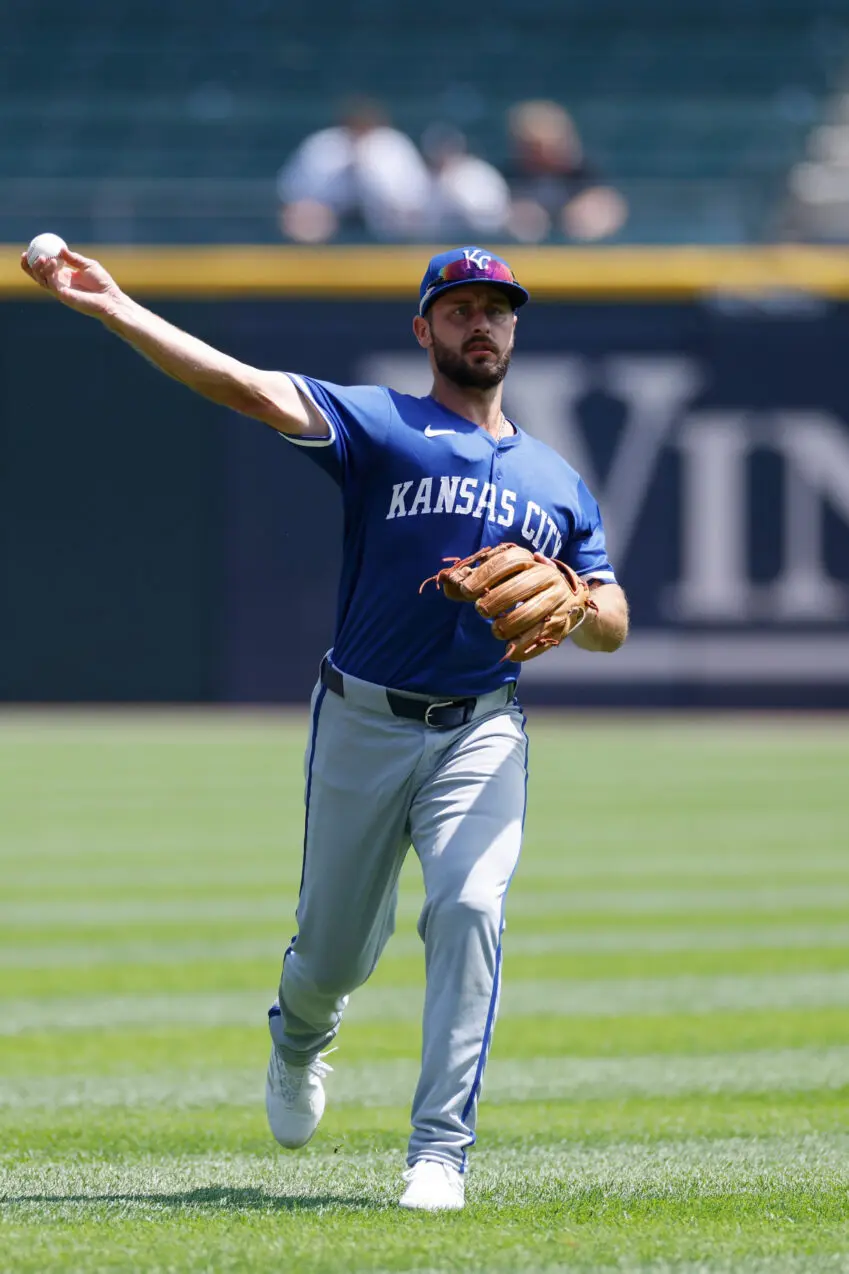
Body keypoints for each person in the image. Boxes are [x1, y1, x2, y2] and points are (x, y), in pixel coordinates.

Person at [21, 241, 629, 1211]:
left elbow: (611, 618)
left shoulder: (558, 477)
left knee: (471, 906)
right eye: (460, 306)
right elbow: (245, 386)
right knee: (336, 949)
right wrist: (117, 308)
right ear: (424, 328)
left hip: (482, 727)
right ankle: (301, 1036)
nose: (482, 322)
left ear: (515, 327)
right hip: (364, 719)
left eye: (497, 308)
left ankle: (440, 1152)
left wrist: (576, 599)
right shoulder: (383, 423)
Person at [276, 96, 432, 243]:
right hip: (330, 218)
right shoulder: (323, 144)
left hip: (386, 218)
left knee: (409, 217)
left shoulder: (393, 145)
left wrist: (368, 173)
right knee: (301, 216)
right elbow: (292, 191)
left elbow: (415, 195)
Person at [504, 99, 628, 243]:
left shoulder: (584, 173)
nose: (545, 155)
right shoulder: (507, 177)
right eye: (534, 148)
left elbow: (608, 206)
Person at [420, 123, 512, 239]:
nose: (443, 152)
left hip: (485, 240)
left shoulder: (478, 172)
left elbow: (489, 213)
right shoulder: (430, 177)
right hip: (440, 241)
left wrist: (451, 187)